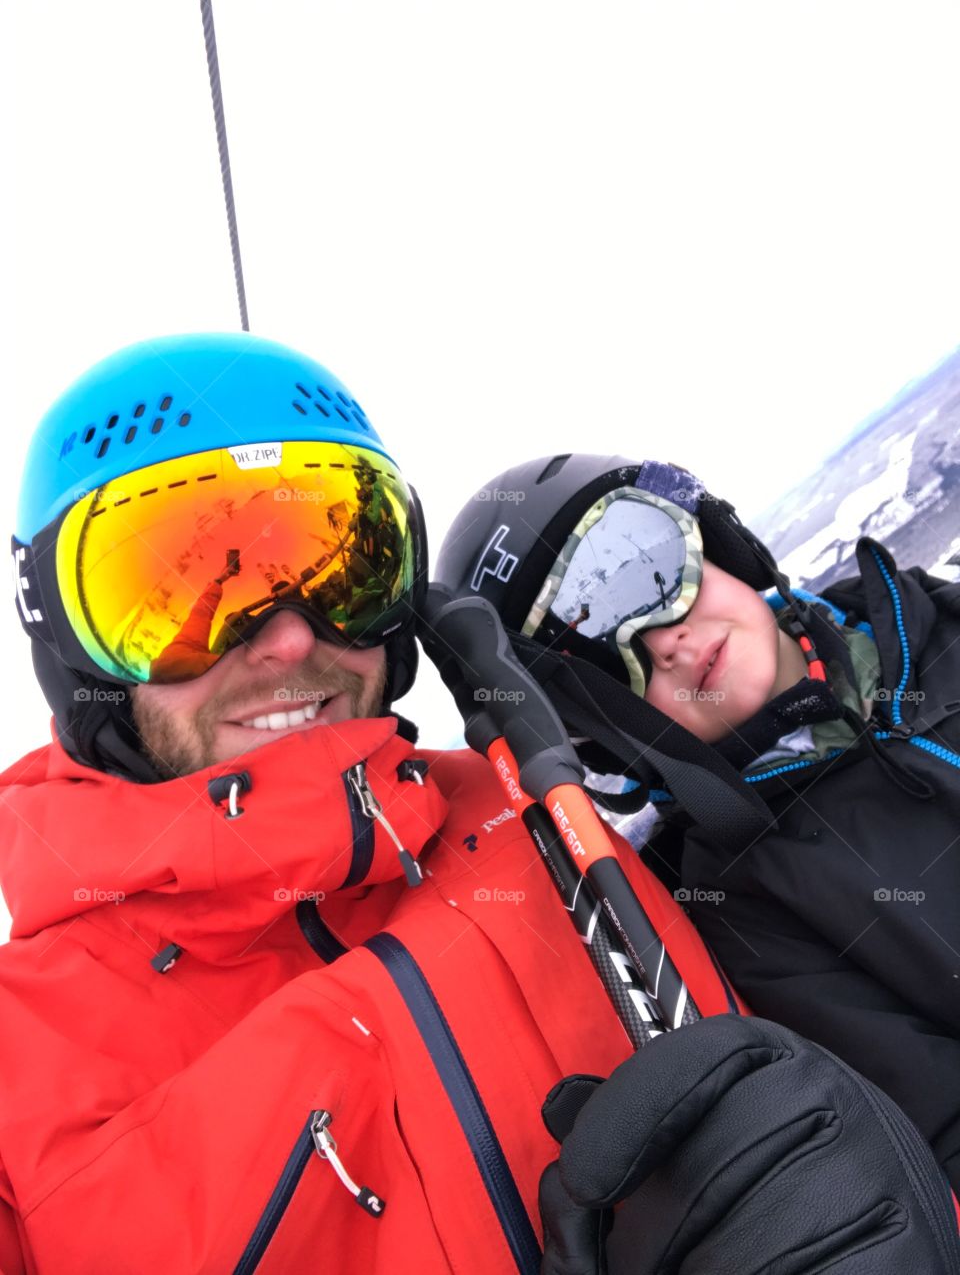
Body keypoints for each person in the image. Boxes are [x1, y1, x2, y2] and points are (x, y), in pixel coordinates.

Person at [1, 349, 954, 1275]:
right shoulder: (23, 1065)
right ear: (65, 644)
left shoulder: (539, 824)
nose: (288, 640)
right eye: (177, 601)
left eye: (337, 576)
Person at [434, 451, 960, 1199]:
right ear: (602, 733)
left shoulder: (936, 619)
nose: (662, 641)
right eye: (597, 666)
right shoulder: (742, 905)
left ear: (717, 541)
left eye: (643, 572)